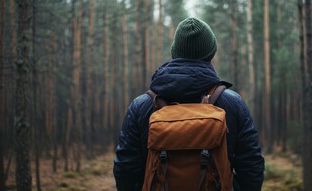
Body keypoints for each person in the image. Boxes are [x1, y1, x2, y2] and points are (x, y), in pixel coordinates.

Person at [113, 17, 264, 191]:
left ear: (174, 52)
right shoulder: (231, 102)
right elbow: (252, 166)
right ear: (212, 52)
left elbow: (125, 169)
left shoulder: (142, 105)